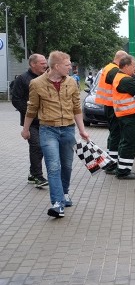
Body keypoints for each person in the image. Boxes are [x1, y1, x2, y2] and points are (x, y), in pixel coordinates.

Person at [21, 51, 90, 218]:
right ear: (57, 66)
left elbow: (76, 108)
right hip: (48, 130)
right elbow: (32, 109)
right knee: (53, 166)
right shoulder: (36, 83)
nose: (70, 67)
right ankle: (57, 203)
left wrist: (82, 130)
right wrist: (26, 129)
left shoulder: (72, 83)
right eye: (67, 65)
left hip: (68, 130)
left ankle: (65, 193)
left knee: (66, 166)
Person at [10, 53, 49, 187]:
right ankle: (38, 176)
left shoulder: (47, 77)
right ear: (33, 64)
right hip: (31, 122)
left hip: (47, 120)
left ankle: (33, 174)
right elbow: (16, 100)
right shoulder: (22, 79)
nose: (45, 65)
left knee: (43, 148)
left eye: (46, 62)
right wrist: (31, 113)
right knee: (36, 146)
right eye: (42, 63)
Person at [94, 50, 129, 173]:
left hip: (109, 105)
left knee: (113, 135)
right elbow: (122, 83)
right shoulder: (113, 70)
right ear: (121, 59)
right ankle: (112, 165)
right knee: (116, 135)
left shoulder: (108, 67)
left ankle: (110, 161)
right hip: (112, 105)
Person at [112, 56, 135, 179]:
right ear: (125, 66)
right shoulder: (126, 80)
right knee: (130, 143)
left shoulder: (120, 77)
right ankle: (123, 172)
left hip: (124, 115)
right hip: (129, 116)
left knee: (125, 142)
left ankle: (121, 169)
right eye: (133, 66)